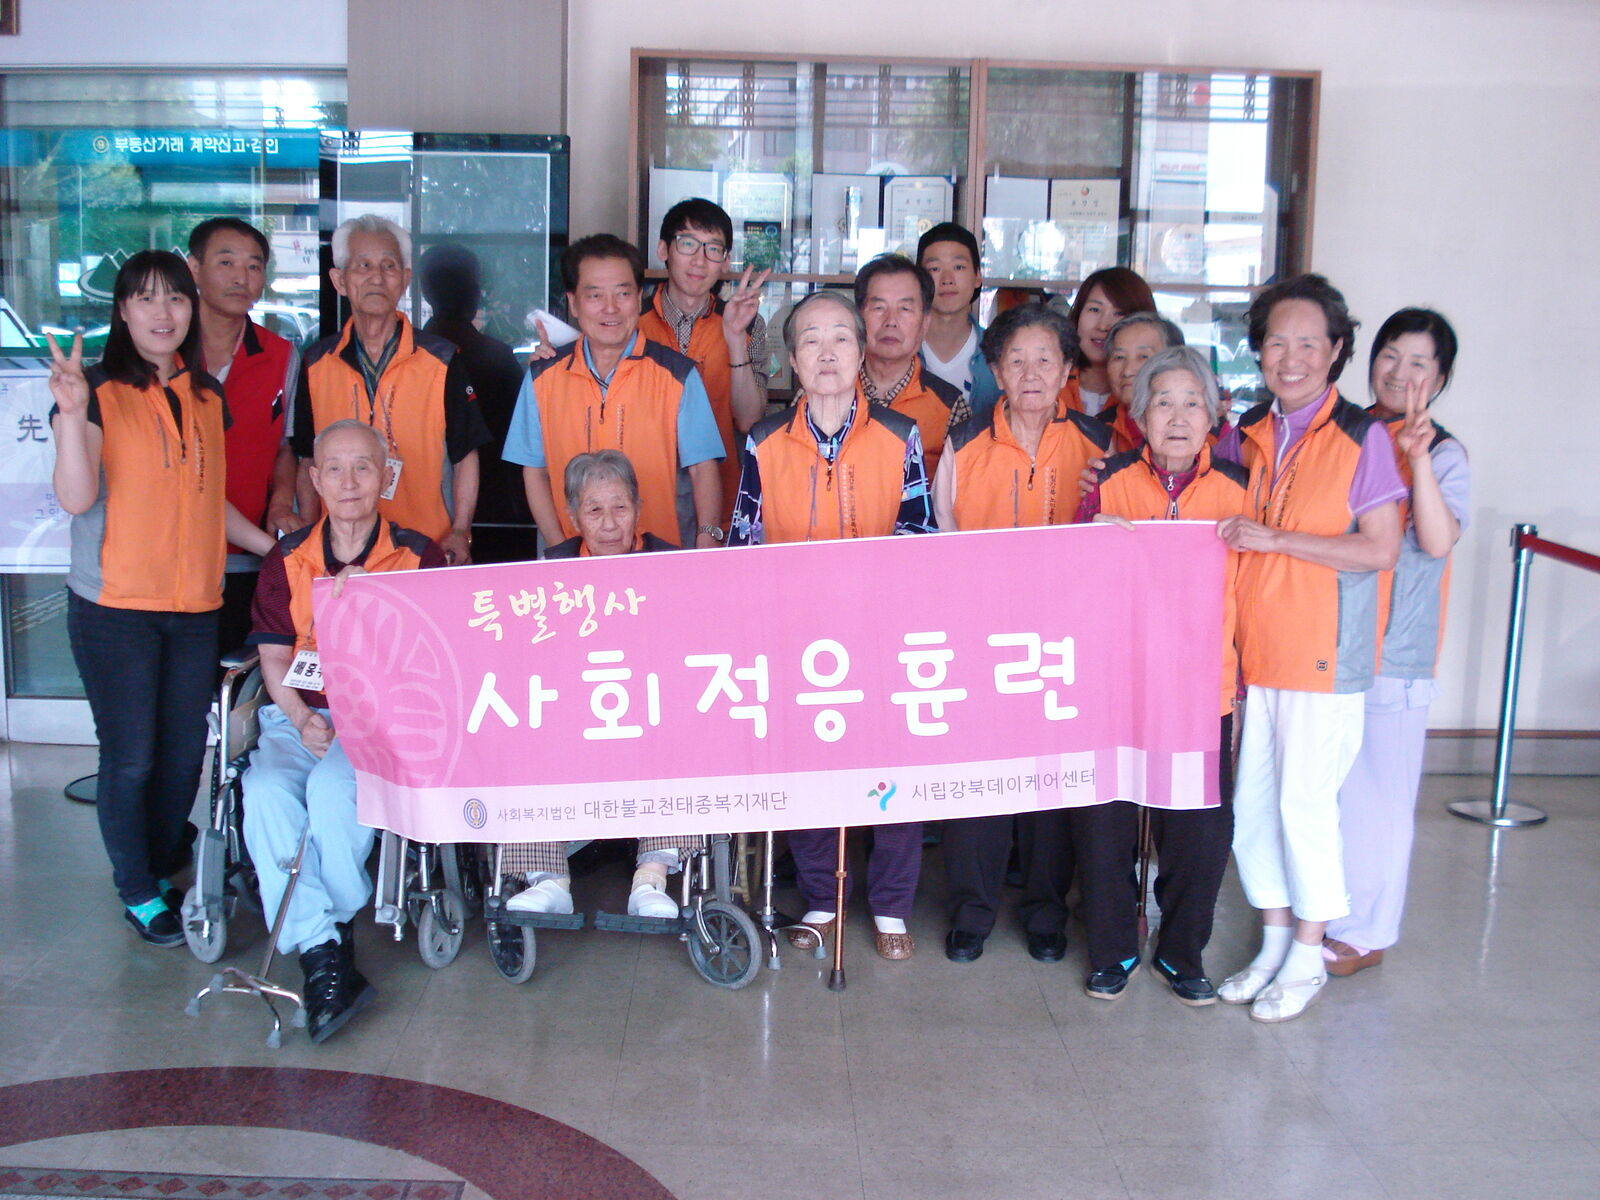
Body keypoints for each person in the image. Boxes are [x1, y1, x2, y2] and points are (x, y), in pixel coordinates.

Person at [48, 250, 275, 947]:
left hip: (195, 608)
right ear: (122, 311)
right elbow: (76, 497)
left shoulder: (205, 396)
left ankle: (153, 861)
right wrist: (71, 415)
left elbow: (211, 503)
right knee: (131, 757)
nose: (162, 312)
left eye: (174, 298)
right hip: (114, 609)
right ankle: (139, 889)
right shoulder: (95, 390)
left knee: (183, 757)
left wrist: (278, 550)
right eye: (145, 299)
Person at [1213, 274, 1405, 1023]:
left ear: (1335, 351)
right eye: (1275, 342)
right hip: (1258, 653)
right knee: (1255, 806)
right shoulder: (1249, 431)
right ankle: (1273, 942)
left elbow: (1381, 549)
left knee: (1305, 806)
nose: (1289, 358)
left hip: (1325, 656)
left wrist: (1279, 540)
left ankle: (1309, 953)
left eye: (1307, 344)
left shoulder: (1363, 437)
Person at [728, 290, 932, 959]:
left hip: (880, 636)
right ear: (792, 359)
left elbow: (918, 534)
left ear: (861, 353)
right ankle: (822, 899)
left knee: (892, 768)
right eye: (810, 339)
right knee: (810, 769)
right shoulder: (764, 441)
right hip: (797, 640)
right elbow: (744, 545)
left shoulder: (900, 435)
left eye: (841, 337)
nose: (826, 352)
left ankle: (892, 907)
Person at [242, 419, 445, 1042]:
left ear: (386, 475)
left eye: (364, 467)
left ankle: (319, 938)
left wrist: (377, 601)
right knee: (264, 792)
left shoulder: (417, 554)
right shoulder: (287, 558)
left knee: (332, 792)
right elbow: (274, 658)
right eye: (334, 468)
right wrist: (301, 718)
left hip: (381, 717)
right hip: (298, 714)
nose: (349, 481)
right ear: (314, 479)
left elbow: (434, 660)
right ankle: (324, 946)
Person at [931, 304, 1111, 964]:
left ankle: (1044, 911)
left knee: (1053, 781)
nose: (1030, 373)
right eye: (1015, 361)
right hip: (982, 635)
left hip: (1068, 641)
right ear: (995, 371)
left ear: (1067, 371)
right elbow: (941, 537)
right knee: (980, 777)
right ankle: (971, 912)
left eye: (1045, 360)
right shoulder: (965, 443)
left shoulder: (1099, 444)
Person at [1069, 346, 1248, 1004]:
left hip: (1202, 687)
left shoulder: (1240, 490)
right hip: (1117, 685)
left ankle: (1181, 952)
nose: (1177, 417)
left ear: (1213, 416)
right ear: (1140, 416)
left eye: (1192, 403)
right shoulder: (1109, 480)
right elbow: (1070, 577)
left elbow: (1253, 592)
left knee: (1200, 832)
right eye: (1162, 403)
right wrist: (1091, 531)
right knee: (1105, 823)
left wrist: (1243, 685)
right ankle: (1112, 949)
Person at [1324, 309, 1469, 977]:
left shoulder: (1445, 453)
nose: (1399, 373)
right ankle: (1328, 913)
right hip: (1332, 639)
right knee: (1334, 790)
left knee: (1379, 798)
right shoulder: (1349, 433)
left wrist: (1418, 459)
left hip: (1394, 650)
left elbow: (1437, 541)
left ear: (1438, 379)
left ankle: (1367, 933)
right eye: (1390, 355)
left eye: (1418, 364)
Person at [499, 450, 685, 919]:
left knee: (684, 735)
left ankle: (651, 879)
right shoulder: (548, 571)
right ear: (572, 516)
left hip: (652, 707)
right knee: (523, 732)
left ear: (638, 509)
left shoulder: (672, 564)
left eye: (620, 507)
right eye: (594, 510)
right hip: (573, 712)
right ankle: (548, 880)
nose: (608, 523)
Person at [504, 234, 726, 550]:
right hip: (573, 563)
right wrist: (561, 551)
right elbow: (535, 472)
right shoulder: (542, 377)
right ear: (573, 303)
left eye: (622, 293)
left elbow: (703, 469)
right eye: (595, 295)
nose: (610, 308)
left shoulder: (678, 374)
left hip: (659, 557)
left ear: (638, 298)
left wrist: (707, 539)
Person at [293, 213, 490, 565]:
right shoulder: (316, 363)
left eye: (388, 266)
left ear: (405, 279)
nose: (376, 277)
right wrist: (308, 541)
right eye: (363, 265)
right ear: (339, 280)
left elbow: (465, 455)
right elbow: (307, 458)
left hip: (425, 550)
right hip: (339, 552)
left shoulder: (442, 360)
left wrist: (461, 530)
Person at [186, 217, 304, 656]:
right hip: (172, 557)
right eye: (226, 262)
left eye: (254, 266)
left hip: (247, 558)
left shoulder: (280, 354)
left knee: (240, 678)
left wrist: (281, 502)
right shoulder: (166, 351)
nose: (241, 277)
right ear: (194, 268)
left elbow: (286, 446)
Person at [639, 198, 771, 530]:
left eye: (713, 249)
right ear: (663, 249)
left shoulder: (749, 324)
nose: (699, 260)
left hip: (724, 500)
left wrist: (735, 338)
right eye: (688, 243)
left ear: (725, 261)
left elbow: (749, 420)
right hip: (642, 503)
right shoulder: (631, 323)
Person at [417, 243, 531, 564]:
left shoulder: (417, 357)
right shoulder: (494, 357)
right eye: (474, 286)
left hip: (462, 515)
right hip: (499, 513)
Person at [855, 253, 969, 479]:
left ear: (925, 322)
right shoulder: (822, 391)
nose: (891, 321)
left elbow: (961, 491)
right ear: (857, 318)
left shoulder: (951, 406)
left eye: (905, 309)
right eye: (878, 308)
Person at [917, 221, 999, 421]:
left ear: (977, 276)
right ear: (918, 279)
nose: (947, 279)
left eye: (959, 267)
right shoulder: (901, 350)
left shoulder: (999, 352)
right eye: (935, 268)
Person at [1060, 267, 1156, 416]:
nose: (1103, 326)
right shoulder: (1049, 384)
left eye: (1119, 313)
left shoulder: (1156, 394)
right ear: (1078, 314)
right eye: (1094, 310)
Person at [1098, 312, 1185, 454]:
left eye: (1143, 357)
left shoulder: (1201, 429)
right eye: (1119, 357)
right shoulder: (1093, 433)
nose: (1127, 371)